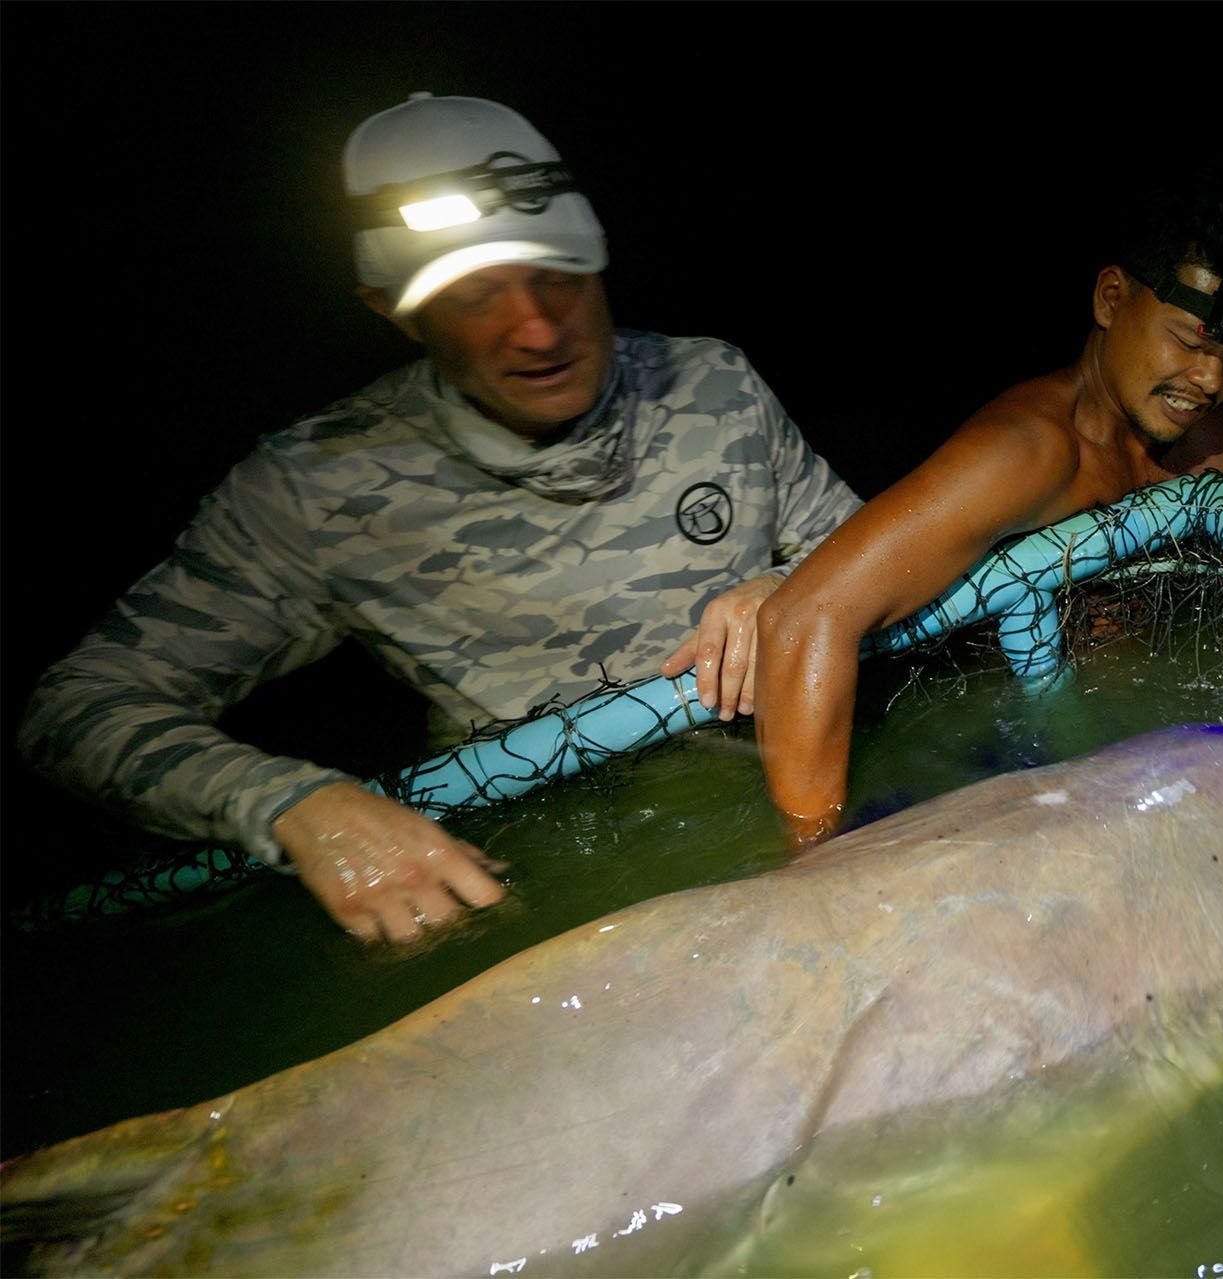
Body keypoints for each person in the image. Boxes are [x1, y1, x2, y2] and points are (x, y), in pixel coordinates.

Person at [17, 94, 861, 943]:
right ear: (390, 307)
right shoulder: (316, 487)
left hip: (820, 805)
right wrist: (294, 804)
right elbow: (77, 710)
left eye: (558, 275)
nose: (536, 328)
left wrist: (802, 589)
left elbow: (887, 551)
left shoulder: (713, 382)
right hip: (568, 878)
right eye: (473, 295)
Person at [750, 193, 1223, 846]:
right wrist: (815, 860)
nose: (1208, 378)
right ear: (1111, 299)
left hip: (1148, 737)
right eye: (1190, 342)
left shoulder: (1212, 447)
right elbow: (804, 617)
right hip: (1003, 758)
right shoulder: (1029, 452)